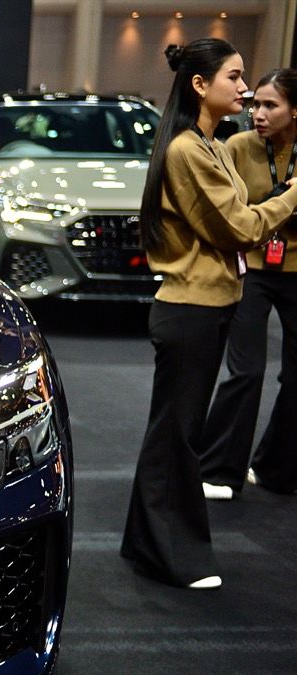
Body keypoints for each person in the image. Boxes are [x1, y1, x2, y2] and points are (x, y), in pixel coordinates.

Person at [121, 39, 297, 590]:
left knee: (173, 433)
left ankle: (147, 544)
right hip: (190, 309)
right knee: (177, 437)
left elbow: (239, 218)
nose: (245, 89)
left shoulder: (209, 144)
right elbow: (241, 227)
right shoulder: (189, 150)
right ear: (200, 85)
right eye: (235, 77)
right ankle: (172, 555)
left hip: (208, 305)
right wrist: (294, 196)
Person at [200, 67, 297, 499]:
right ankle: (218, 471)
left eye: (270, 105)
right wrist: (282, 201)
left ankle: (276, 468)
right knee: (247, 370)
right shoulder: (236, 147)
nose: (258, 113)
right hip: (251, 268)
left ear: (295, 110)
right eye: (255, 104)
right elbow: (230, 211)